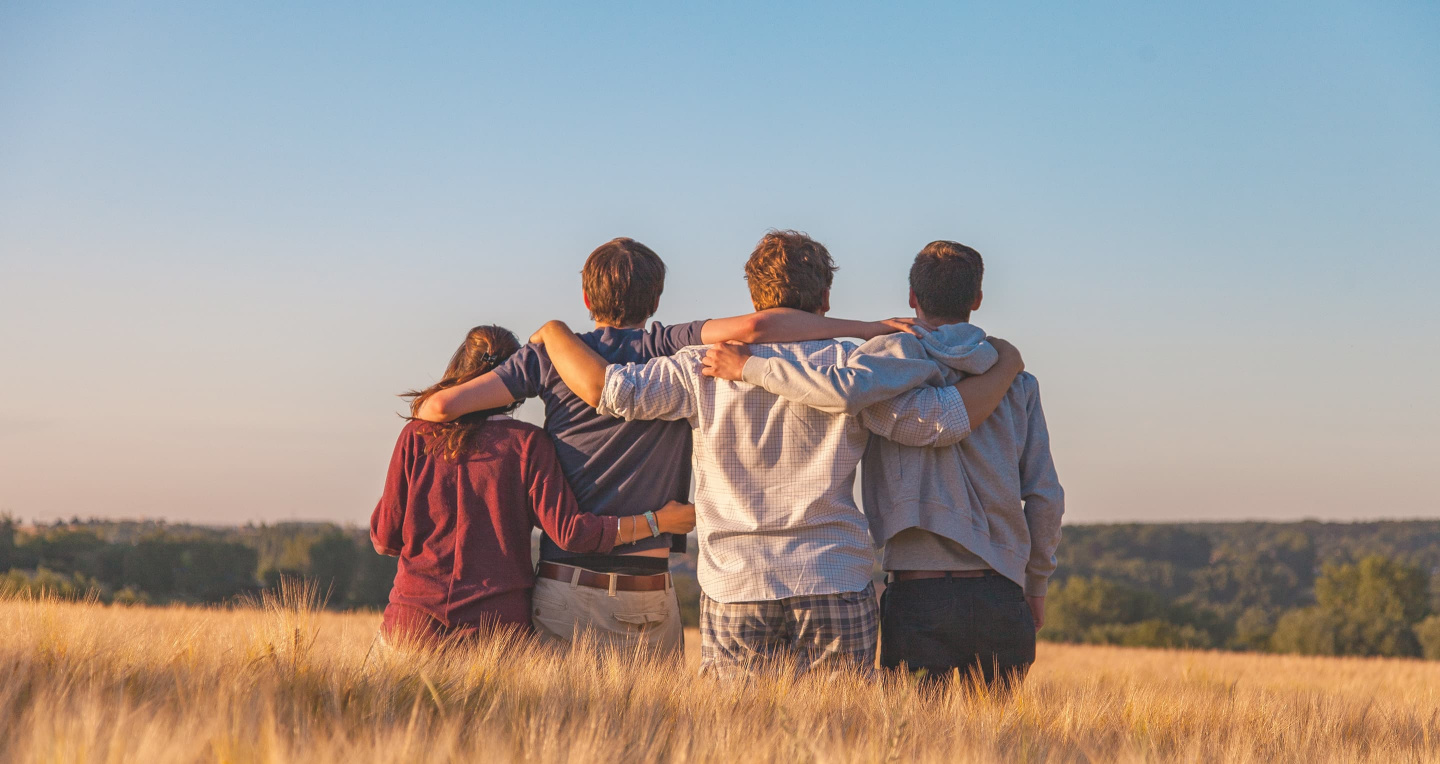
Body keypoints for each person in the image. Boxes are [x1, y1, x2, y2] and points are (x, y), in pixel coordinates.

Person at [529, 230, 1025, 677]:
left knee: (737, 741)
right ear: (826, 297)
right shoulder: (852, 367)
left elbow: (614, 392)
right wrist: (1005, 367)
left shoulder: (700, 366)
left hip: (736, 582)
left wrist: (554, 332)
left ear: (753, 298)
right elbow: (938, 422)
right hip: (832, 574)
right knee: (841, 740)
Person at [411, 237, 922, 656]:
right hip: (650, 587)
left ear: (587, 299)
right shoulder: (670, 345)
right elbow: (758, 327)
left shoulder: (549, 357)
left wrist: (546, 343)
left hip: (566, 581)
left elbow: (437, 411)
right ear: (656, 301)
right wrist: (867, 327)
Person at [702, 240, 1064, 688]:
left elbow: (839, 391)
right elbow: (1046, 496)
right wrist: (1036, 584)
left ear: (912, 297)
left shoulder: (881, 368)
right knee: (999, 747)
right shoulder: (1017, 383)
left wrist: (750, 367)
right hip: (1002, 591)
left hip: (918, 594)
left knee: (911, 744)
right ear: (977, 299)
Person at [371, 324, 696, 648]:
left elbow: (385, 538)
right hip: (497, 631)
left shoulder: (416, 435)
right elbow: (572, 533)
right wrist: (658, 521)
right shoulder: (528, 444)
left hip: (411, 624)